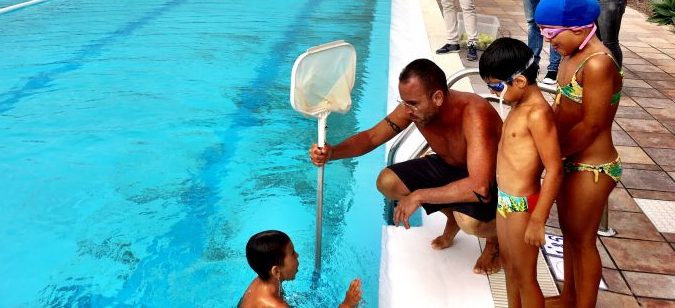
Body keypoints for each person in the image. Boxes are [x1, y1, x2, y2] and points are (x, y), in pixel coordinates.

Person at [309, 58, 503, 274]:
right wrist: (333, 152)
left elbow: (480, 187)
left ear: (437, 97)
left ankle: (495, 241)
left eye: (413, 103)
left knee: (470, 222)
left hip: (489, 180)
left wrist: (419, 195)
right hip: (449, 165)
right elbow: (372, 138)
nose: (407, 110)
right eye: (404, 102)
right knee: (388, 182)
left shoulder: (474, 114)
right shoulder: (413, 109)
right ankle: (452, 218)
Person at [534, 0, 623, 308]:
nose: (547, 40)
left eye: (552, 33)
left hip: (592, 167)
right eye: (543, 32)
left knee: (583, 241)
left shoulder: (598, 64)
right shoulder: (572, 56)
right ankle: (569, 296)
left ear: (581, 28)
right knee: (569, 237)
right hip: (571, 160)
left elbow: (591, 125)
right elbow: (562, 108)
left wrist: (552, 155)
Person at [480, 38, 562, 308]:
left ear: (519, 82)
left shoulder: (537, 114)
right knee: (510, 268)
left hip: (523, 207)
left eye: (495, 86)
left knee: (526, 277)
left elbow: (554, 169)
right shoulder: (518, 106)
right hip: (505, 202)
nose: (493, 92)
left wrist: (539, 219)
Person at [238, 230, 361, 308]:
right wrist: (346, 305)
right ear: (276, 271)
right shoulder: (275, 305)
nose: (297, 255)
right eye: (292, 254)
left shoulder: (264, 280)